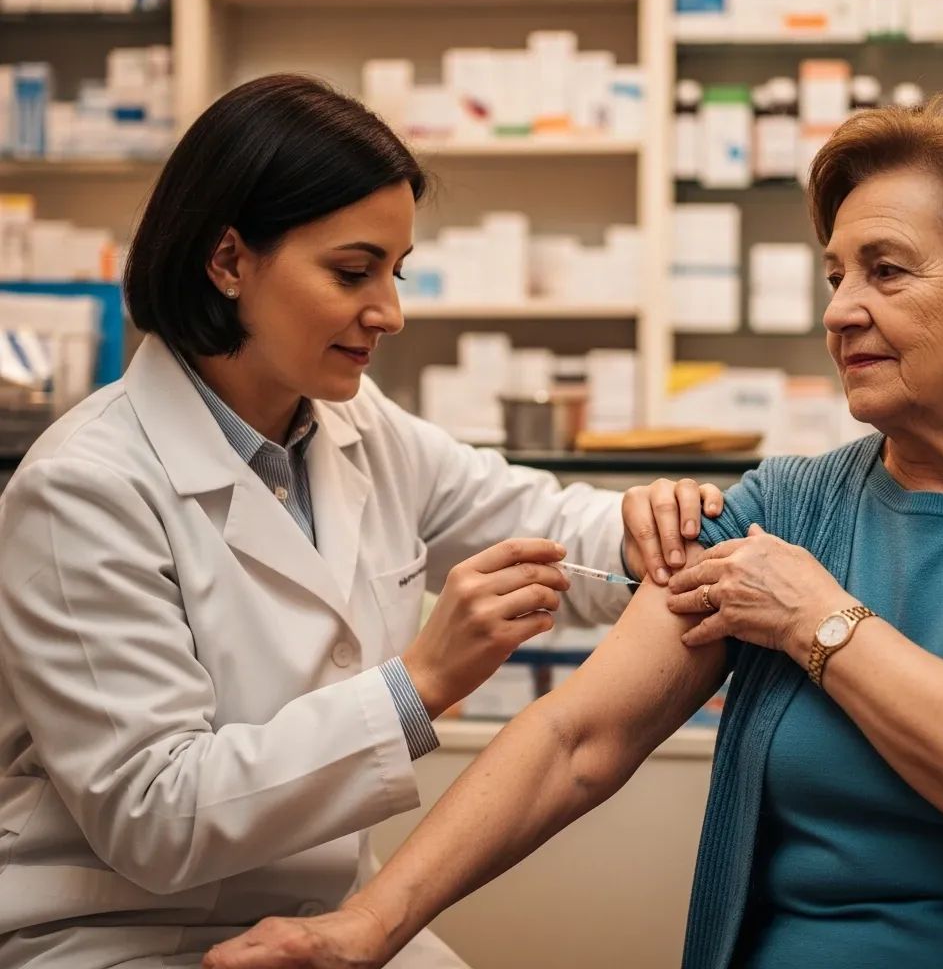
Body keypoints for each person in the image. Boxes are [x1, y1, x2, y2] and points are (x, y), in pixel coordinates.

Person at [205, 95, 943, 969]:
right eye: (835, 277)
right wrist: (368, 926)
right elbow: (576, 739)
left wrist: (818, 620)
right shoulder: (788, 512)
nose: (840, 312)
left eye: (888, 272)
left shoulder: (795, 573)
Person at [0, 73, 726, 969]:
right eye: (354, 272)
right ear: (228, 261)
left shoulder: (352, 423)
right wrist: (417, 683)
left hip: (328, 909)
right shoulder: (84, 487)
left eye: (396, 270)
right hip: (117, 934)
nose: (390, 311)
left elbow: (536, 516)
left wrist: (650, 522)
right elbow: (155, 813)